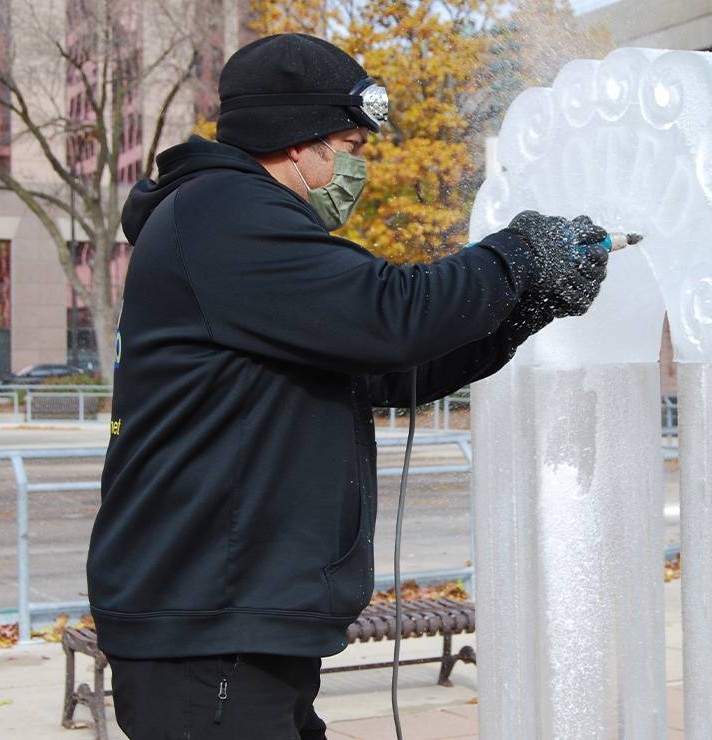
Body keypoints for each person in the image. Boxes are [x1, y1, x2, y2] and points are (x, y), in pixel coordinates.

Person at [86, 33, 609, 739]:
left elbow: (391, 367)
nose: (354, 168)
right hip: (206, 623)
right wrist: (520, 252)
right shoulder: (224, 213)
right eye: (350, 147)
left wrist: (527, 309)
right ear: (296, 140)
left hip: (236, 619)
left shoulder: (233, 226)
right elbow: (392, 315)